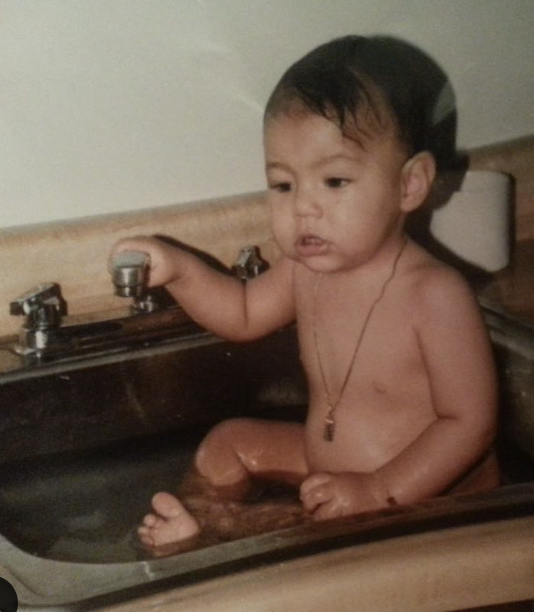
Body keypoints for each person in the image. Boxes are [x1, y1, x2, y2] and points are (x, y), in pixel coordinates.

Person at [111, 35, 499, 557]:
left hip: (424, 497)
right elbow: (243, 314)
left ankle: (209, 536)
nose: (304, 210)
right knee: (230, 441)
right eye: (284, 185)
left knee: (321, 523)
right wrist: (180, 270)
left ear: (410, 185)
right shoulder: (302, 269)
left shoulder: (434, 295)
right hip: (333, 471)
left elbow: (469, 422)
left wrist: (379, 489)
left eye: (334, 181)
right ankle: (199, 517)